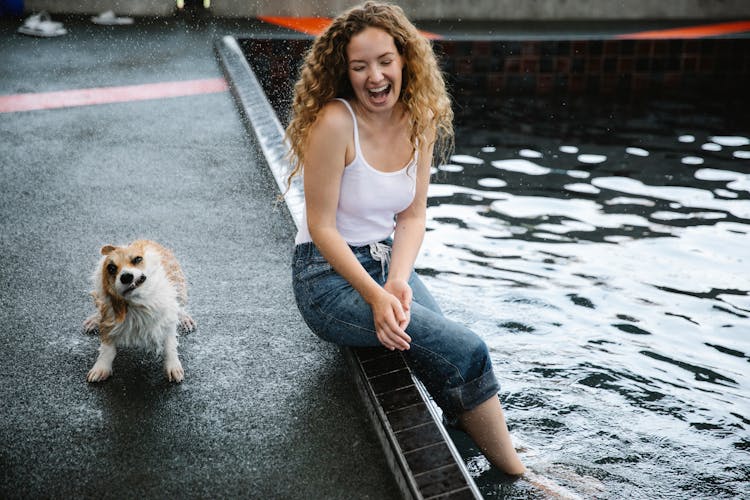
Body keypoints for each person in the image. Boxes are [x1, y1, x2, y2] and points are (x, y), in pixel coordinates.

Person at [285, 1, 526, 477]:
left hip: (385, 261)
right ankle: (519, 474)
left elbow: (413, 215)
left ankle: (480, 455)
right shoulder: (336, 123)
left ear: (404, 59)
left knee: (444, 355)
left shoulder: (421, 117)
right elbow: (321, 227)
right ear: (345, 71)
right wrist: (375, 295)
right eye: (360, 66)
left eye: (384, 61)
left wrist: (396, 281)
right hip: (327, 279)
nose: (375, 77)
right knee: (468, 350)